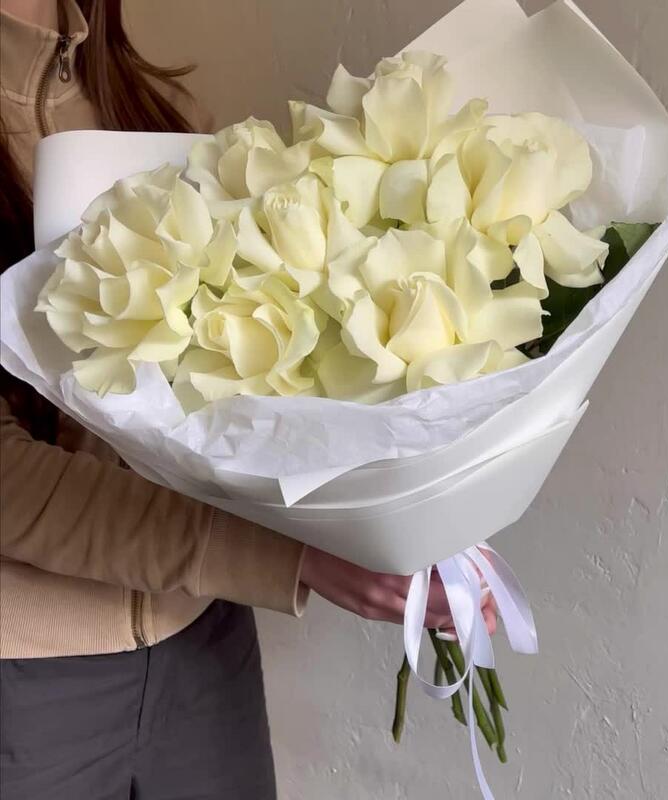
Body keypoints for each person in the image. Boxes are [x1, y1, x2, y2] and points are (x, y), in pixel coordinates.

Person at [0, 2, 497, 798]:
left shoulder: (153, 110)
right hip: (27, 686)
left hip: (204, 646)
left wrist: (413, 501)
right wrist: (294, 559)